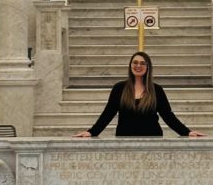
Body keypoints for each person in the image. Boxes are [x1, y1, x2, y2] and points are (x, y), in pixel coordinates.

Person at [74, 51, 204, 138]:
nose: (138, 66)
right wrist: (91, 132)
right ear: (130, 66)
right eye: (135, 62)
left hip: (152, 139)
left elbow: (168, 116)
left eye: (142, 63)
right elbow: (108, 114)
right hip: (124, 140)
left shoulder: (156, 90)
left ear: (148, 67)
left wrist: (187, 132)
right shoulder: (119, 88)